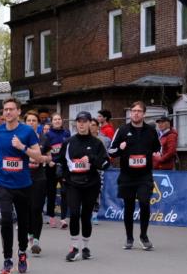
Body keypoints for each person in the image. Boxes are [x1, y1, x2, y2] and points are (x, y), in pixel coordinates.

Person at [0, 98, 42, 274]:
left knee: (24, 222)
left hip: (23, 184)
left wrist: (22, 147)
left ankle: (22, 253)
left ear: (19, 111)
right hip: (3, 183)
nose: (8, 112)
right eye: (5, 110)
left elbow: (39, 156)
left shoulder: (27, 131)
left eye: (11, 109)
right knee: (7, 219)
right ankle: (8, 259)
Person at [108, 101, 161, 250]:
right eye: (133, 111)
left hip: (144, 175)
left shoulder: (151, 130)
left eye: (139, 111)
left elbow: (158, 148)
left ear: (144, 114)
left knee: (144, 203)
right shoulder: (122, 130)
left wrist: (157, 154)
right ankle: (129, 237)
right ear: (130, 113)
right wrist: (120, 147)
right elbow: (111, 151)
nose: (136, 113)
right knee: (129, 207)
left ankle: (144, 236)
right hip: (127, 176)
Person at [62, 112, 110, 261]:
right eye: (79, 121)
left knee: (86, 216)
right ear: (76, 123)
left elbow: (105, 163)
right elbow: (61, 161)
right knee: (75, 213)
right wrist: (62, 175)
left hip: (91, 184)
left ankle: (86, 247)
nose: (81, 124)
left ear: (90, 123)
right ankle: (75, 247)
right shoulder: (69, 142)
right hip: (73, 183)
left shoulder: (96, 143)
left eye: (84, 121)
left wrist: (91, 159)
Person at [24, 111, 50, 256]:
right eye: (29, 120)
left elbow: (49, 157)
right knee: (26, 209)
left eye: (34, 120)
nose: (32, 123)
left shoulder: (44, 138)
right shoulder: (20, 138)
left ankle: (36, 241)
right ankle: (29, 237)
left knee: (36, 208)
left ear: (38, 123)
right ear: (25, 122)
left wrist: (41, 158)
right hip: (24, 177)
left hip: (39, 177)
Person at [42, 113, 70, 228]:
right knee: (51, 192)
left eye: (59, 119)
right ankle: (51, 216)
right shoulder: (48, 135)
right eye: (55, 119)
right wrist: (49, 161)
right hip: (51, 167)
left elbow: (69, 149)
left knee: (64, 192)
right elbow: (43, 150)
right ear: (52, 122)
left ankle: (63, 218)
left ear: (62, 121)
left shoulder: (67, 133)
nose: (57, 121)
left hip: (63, 167)